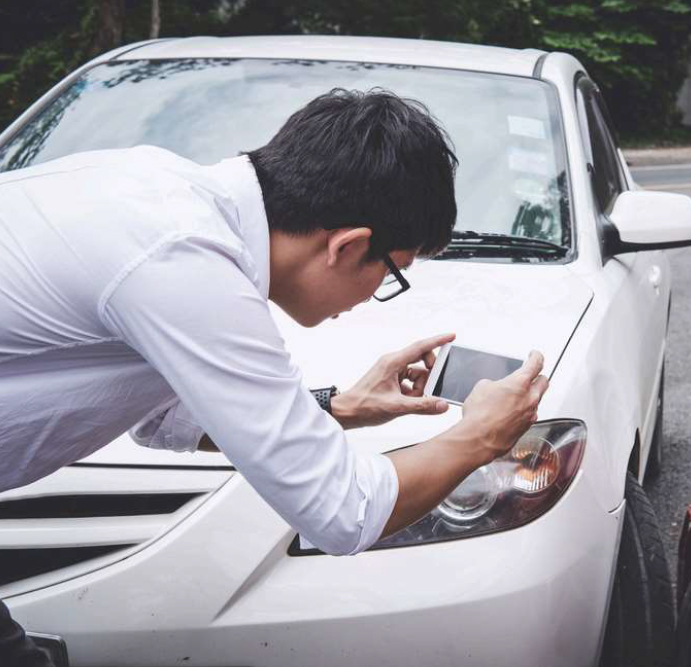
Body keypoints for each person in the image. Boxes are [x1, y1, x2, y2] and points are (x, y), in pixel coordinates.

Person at [0, 88, 548, 665]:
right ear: (349, 244)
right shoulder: (185, 263)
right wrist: (480, 437)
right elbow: (345, 512)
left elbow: (167, 420)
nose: (377, 296)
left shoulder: (158, 193)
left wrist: (342, 406)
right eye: (394, 272)